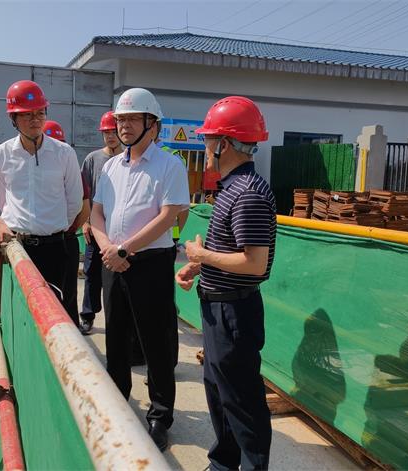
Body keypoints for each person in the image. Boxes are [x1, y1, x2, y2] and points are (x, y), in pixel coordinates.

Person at [175, 96, 276, 471]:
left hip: (233, 311)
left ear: (225, 144)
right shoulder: (233, 187)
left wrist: (202, 256)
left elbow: (254, 263)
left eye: (208, 139)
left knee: (242, 401)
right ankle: (223, 464)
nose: (204, 147)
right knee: (220, 392)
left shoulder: (247, 193)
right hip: (221, 306)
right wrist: (198, 267)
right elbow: (233, 250)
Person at [90, 88, 189, 451]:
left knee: (155, 343)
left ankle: (160, 416)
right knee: (115, 338)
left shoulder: (169, 165)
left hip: (150, 264)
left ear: (152, 124)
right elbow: (96, 212)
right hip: (112, 262)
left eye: (132, 119)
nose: (124, 126)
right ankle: (118, 405)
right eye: (121, 119)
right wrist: (107, 248)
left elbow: (168, 216)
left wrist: (124, 249)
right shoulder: (111, 167)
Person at [0, 80, 83, 295]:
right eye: (27, 114)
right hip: (18, 248)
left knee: (54, 304)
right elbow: (4, 199)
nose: (35, 120)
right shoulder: (2, 154)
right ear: (13, 118)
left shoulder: (64, 153)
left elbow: (75, 200)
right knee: (22, 305)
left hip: (54, 248)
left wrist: (51, 226)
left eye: (40, 113)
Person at [42, 120, 90, 327]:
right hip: (44, 241)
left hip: (65, 241)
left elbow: (84, 207)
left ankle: (70, 335)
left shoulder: (72, 171)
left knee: (66, 293)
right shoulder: (36, 172)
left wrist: (68, 229)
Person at [78, 111, 121, 335]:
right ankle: (87, 315)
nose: (110, 136)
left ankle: (119, 321)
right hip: (96, 228)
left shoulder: (129, 160)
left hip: (120, 230)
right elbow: (83, 193)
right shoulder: (92, 160)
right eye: (106, 132)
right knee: (92, 274)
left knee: (118, 277)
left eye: (113, 131)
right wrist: (85, 221)